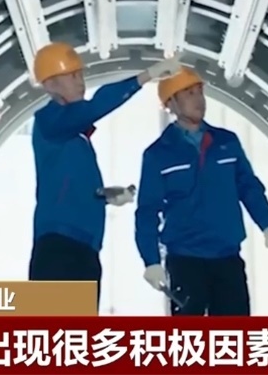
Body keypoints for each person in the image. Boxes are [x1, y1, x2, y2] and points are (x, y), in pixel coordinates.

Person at [28, 43, 184, 306]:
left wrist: (108, 195)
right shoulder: (49, 120)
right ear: (51, 84)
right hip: (59, 246)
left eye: (80, 74)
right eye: (72, 76)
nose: (80, 81)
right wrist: (147, 75)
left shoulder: (75, 137)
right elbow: (97, 105)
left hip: (87, 248)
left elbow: (72, 185)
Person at [134, 66, 268, 316]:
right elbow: (147, 211)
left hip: (227, 258)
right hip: (185, 260)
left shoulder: (227, 142)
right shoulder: (158, 154)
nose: (198, 100)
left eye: (199, 92)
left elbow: (248, 186)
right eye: (189, 93)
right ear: (170, 103)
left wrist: (266, 223)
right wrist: (151, 261)